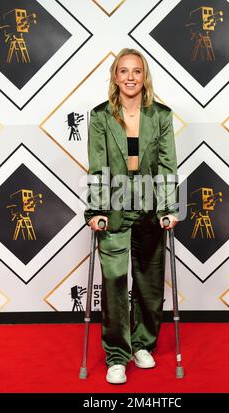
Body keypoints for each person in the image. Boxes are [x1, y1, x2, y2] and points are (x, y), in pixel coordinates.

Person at [84, 48, 179, 384]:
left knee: (150, 281)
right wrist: (95, 210)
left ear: (144, 76)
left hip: (150, 202)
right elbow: (97, 167)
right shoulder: (100, 116)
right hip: (114, 202)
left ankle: (143, 344)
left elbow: (168, 165)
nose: (129, 77)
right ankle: (116, 355)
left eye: (136, 71)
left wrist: (168, 207)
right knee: (113, 281)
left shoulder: (161, 116)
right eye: (123, 71)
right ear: (115, 76)